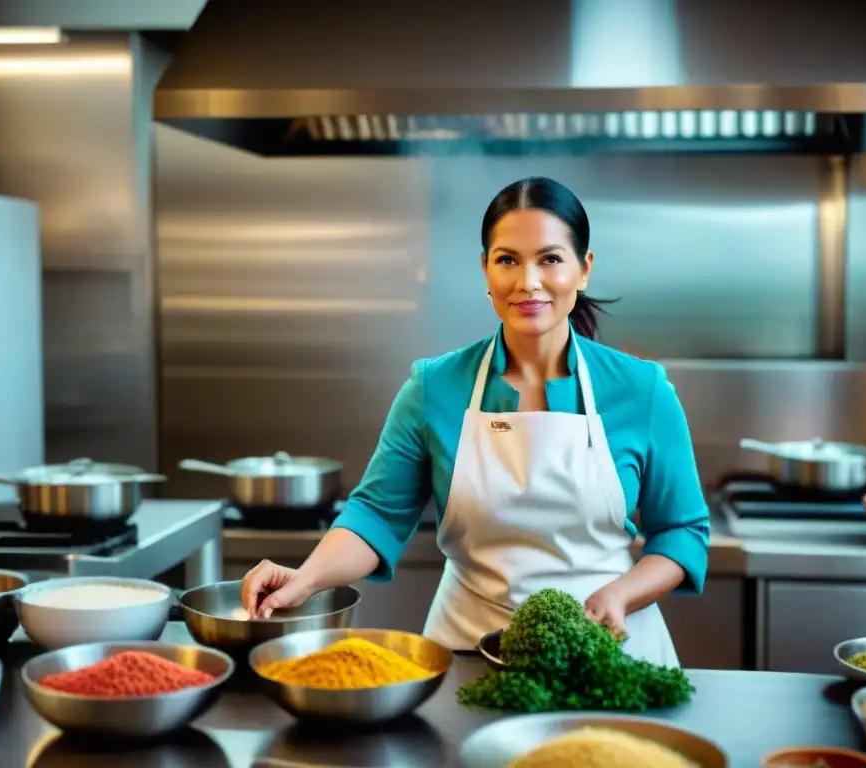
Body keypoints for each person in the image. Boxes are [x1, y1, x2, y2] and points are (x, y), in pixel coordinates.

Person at [241, 176, 710, 667]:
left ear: (583, 269)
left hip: (613, 655)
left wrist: (621, 596)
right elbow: (377, 514)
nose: (528, 281)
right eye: (508, 260)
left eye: (550, 259)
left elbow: (682, 530)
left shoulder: (641, 389)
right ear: (485, 269)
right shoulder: (434, 387)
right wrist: (307, 576)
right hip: (469, 652)